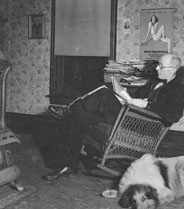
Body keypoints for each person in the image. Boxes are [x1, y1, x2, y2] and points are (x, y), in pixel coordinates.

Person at [42, 53, 184, 181]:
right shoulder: (156, 81)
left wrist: (146, 105)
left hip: (142, 125)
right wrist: (126, 96)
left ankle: (68, 112)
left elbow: (173, 115)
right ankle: (68, 164)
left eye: (161, 66)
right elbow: (139, 97)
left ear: (172, 70)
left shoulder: (178, 89)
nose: (157, 68)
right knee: (83, 115)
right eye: (158, 64)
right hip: (131, 115)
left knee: (102, 96)